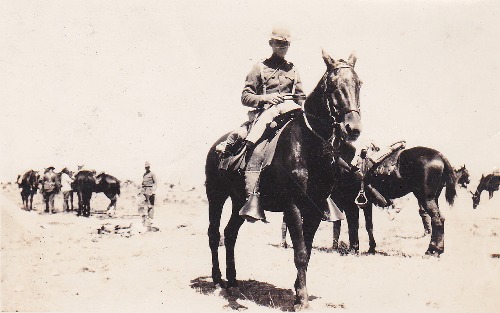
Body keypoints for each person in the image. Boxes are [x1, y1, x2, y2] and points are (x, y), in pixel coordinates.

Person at [222, 26, 306, 223]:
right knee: (256, 147)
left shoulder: (293, 69)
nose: (283, 46)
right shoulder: (259, 68)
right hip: (265, 113)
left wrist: (296, 103)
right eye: (279, 43)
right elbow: (246, 96)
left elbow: (301, 95)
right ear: (271, 44)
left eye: (286, 43)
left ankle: (322, 196)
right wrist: (267, 98)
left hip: (290, 112)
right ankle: (252, 196)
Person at [140, 161, 157, 230]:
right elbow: (143, 183)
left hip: (150, 190)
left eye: (148, 167)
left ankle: (151, 219)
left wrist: (153, 190)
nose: (147, 168)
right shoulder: (144, 174)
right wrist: (141, 190)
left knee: (150, 205)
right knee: (143, 205)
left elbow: (155, 183)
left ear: (149, 167)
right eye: (146, 167)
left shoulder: (152, 174)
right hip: (144, 190)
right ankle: (145, 220)